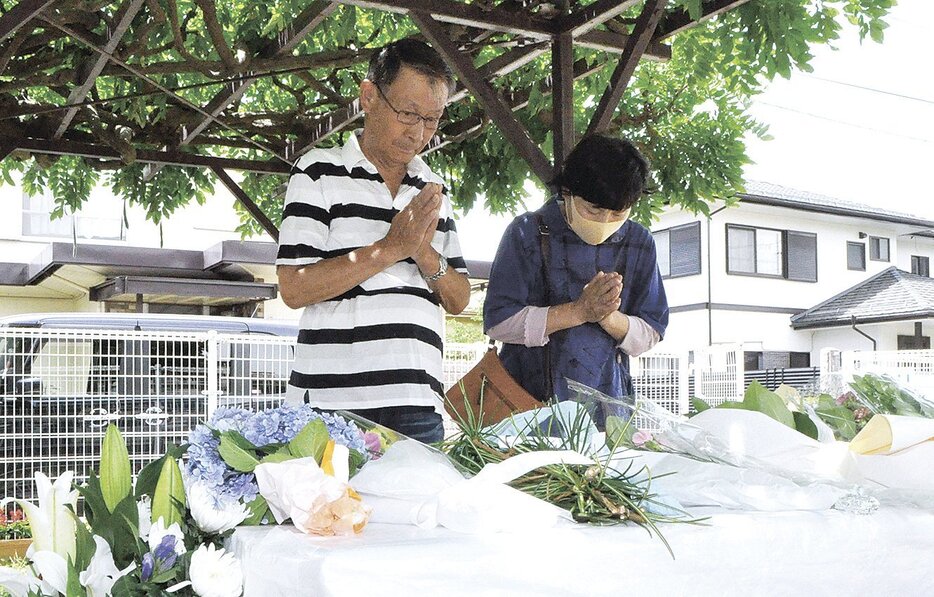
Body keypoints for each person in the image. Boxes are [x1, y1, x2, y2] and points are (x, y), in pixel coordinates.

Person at [276, 39, 471, 443]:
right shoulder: (317, 172)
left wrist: (421, 250)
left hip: (417, 402)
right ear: (368, 97)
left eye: (432, 119)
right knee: (331, 510)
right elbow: (294, 288)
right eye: (408, 113)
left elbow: (459, 298)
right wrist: (390, 248)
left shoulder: (432, 188)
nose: (418, 133)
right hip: (332, 404)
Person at [483, 134, 668, 407]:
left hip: (610, 410)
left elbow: (651, 332)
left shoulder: (639, 242)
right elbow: (498, 323)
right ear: (567, 192)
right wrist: (578, 311)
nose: (605, 222)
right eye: (593, 210)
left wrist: (608, 317)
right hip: (528, 408)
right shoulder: (526, 232)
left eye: (618, 214)